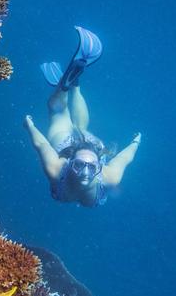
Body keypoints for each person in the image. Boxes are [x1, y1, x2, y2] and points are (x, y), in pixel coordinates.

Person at [24, 26, 141, 207]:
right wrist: (136, 142)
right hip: (67, 144)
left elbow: (42, 145)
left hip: (87, 146)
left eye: (91, 167)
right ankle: (70, 84)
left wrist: (30, 126)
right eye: (79, 165)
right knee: (59, 112)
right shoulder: (63, 170)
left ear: (99, 168)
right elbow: (125, 158)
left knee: (74, 123)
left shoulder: (58, 172)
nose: (85, 173)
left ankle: (70, 84)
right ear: (70, 163)